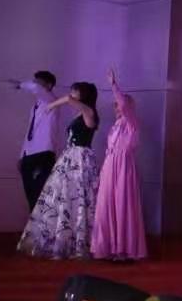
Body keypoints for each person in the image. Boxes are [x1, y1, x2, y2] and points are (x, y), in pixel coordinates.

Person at [17, 82, 100, 259]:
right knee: (62, 196)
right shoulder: (81, 113)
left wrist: (52, 105)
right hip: (70, 157)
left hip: (80, 158)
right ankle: (61, 239)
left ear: (83, 94)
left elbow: (68, 99)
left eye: (75, 91)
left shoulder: (88, 111)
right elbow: (70, 100)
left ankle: (81, 243)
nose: (72, 93)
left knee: (79, 196)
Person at [91, 68, 147, 261]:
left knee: (122, 205)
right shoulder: (115, 126)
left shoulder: (131, 123)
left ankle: (123, 250)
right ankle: (108, 247)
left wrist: (114, 85)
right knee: (105, 205)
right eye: (115, 106)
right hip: (110, 166)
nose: (117, 108)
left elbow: (124, 105)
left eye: (119, 106)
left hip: (123, 167)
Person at [10, 71, 60, 211]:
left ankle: (41, 222)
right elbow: (30, 131)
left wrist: (20, 85)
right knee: (31, 195)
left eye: (39, 82)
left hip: (43, 152)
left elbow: (35, 88)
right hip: (30, 154)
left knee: (41, 195)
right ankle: (35, 222)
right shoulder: (36, 106)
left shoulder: (51, 100)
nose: (35, 84)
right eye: (34, 81)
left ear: (49, 86)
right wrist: (22, 155)